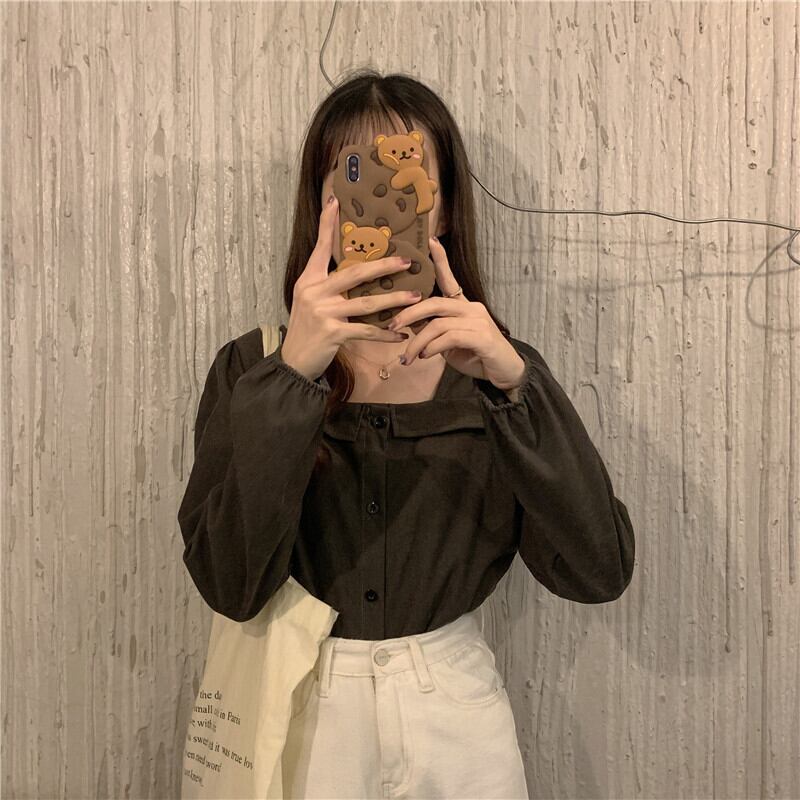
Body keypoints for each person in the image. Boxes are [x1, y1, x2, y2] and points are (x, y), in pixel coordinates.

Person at [177, 68, 635, 800]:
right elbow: (230, 585)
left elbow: (597, 571)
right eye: (357, 177)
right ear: (323, 206)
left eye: (410, 179)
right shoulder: (254, 366)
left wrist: (515, 387)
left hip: (455, 708)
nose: (385, 202)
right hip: (303, 705)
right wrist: (294, 376)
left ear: (444, 210)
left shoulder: (495, 370)